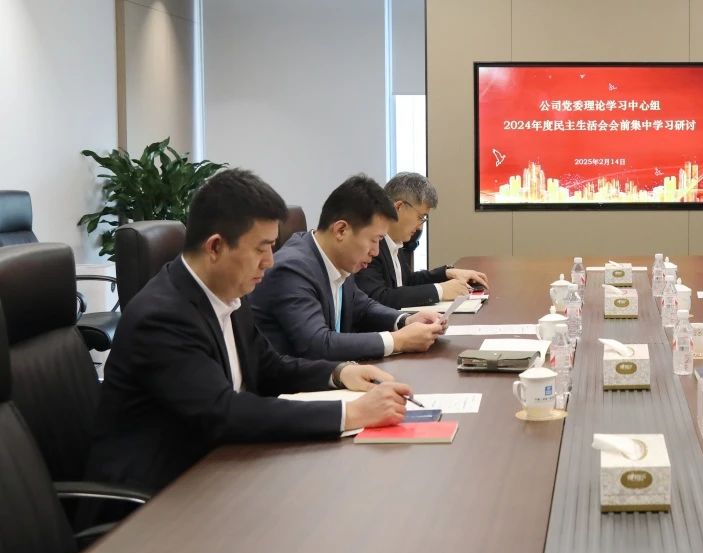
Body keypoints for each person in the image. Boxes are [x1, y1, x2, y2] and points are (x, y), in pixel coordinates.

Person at [87, 169, 414, 494]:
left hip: (222, 466)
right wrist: (351, 412)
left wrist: (339, 373)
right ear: (215, 247)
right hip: (159, 495)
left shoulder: (229, 293)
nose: (270, 261)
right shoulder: (163, 316)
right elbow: (223, 412)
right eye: (261, 248)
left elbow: (270, 367)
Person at [252, 175, 445, 361]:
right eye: (374, 240)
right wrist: (398, 341)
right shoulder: (292, 269)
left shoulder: (339, 259)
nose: (376, 252)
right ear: (341, 230)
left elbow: (363, 307)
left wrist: (405, 320)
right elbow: (318, 344)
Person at [354, 172, 489, 309]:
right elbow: (379, 297)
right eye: (420, 217)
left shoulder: (395, 242)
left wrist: (446, 274)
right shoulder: (372, 245)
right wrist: (441, 290)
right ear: (399, 207)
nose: (420, 227)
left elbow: (407, 281)